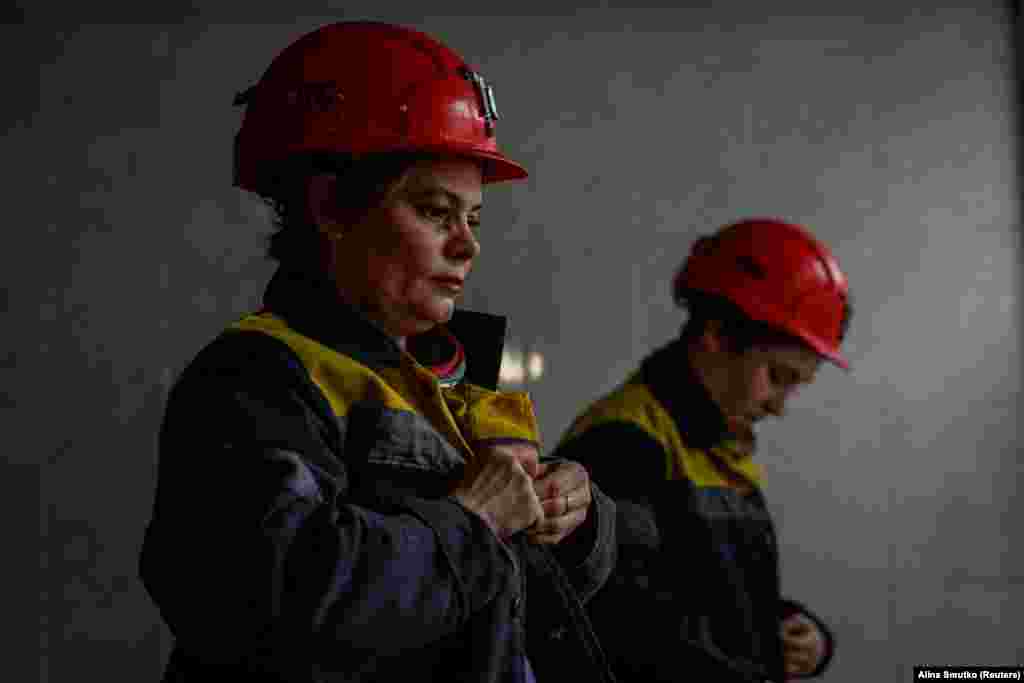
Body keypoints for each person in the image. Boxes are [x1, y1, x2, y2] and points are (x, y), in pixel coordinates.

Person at [139, 21, 617, 683]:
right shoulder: (253, 380)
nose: (467, 245)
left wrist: (578, 518)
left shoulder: (458, 376)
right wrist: (473, 522)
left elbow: (510, 609)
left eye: (473, 219)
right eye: (435, 211)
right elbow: (266, 607)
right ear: (330, 205)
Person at [550, 218, 851, 682]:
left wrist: (799, 632)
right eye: (777, 376)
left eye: (796, 384)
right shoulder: (623, 444)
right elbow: (629, 634)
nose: (778, 405)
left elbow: (719, 600)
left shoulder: (717, 448)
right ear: (716, 335)